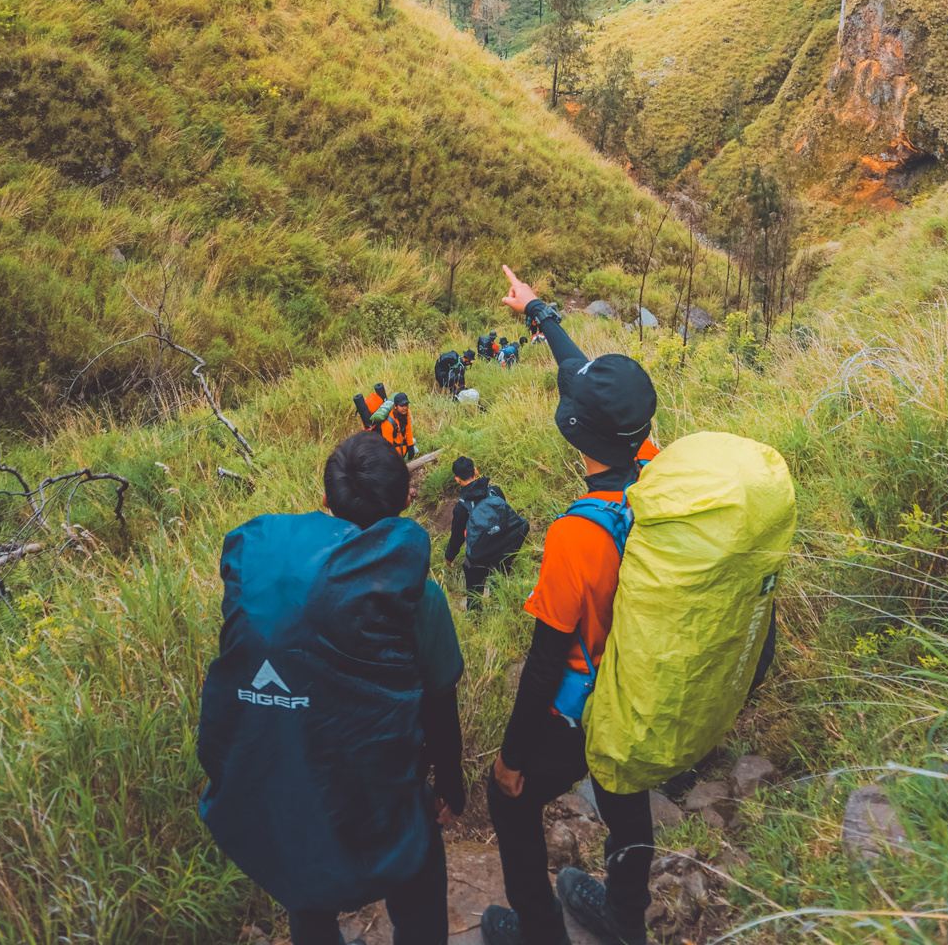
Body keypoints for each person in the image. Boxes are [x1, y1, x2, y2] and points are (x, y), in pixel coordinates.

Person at [197, 430, 465, 945]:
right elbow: (439, 705)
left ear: (324, 501)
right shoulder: (418, 596)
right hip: (383, 787)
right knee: (419, 883)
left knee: (307, 893)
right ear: (405, 505)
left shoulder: (272, 582)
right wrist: (450, 786)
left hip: (294, 776)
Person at [481, 267, 659, 945]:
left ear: (576, 434)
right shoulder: (654, 465)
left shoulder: (576, 537)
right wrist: (539, 312)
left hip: (578, 708)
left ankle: (539, 933)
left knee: (510, 803)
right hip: (633, 690)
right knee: (624, 790)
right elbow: (583, 375)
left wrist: (512, 759)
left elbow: (544, 661)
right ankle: (624, 917)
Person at [445, 456, 530, 604]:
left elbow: (457, 537)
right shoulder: (495, 492)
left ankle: (475, 616)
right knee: (499, 577)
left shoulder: (461, 507)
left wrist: (449, 556)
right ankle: (497, 604)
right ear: (476, 472)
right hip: (503, 546)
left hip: (479, 554)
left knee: (473, 587)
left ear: (457, 479)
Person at [381, 391, 416, 460]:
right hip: (395, 452)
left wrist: (410, 446)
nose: (405, 408)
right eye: (402, 406)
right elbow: (389, 448)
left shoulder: (405, 413)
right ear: (395, 406)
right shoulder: (388, 424)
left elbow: (408, 428)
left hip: (403, 446)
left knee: (414, 447)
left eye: (406, 405)